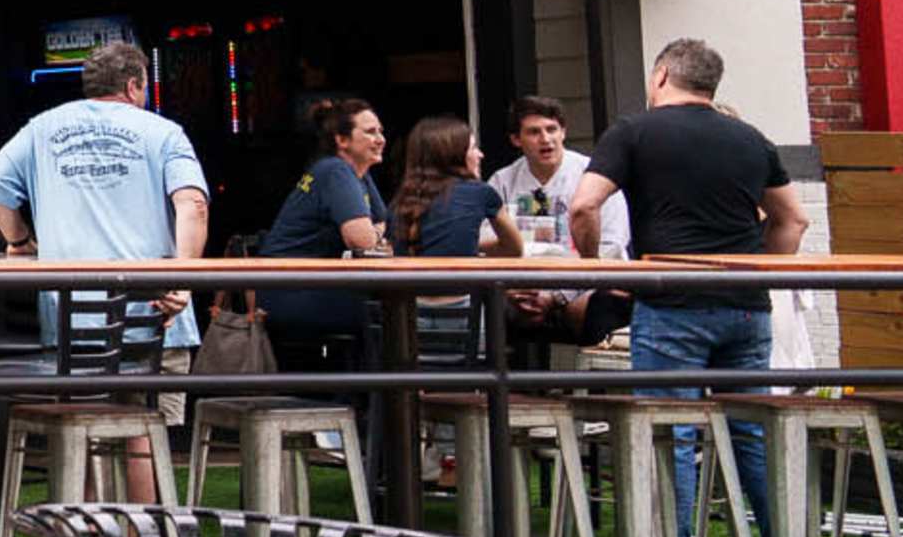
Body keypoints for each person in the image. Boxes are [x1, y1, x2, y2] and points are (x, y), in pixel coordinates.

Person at [567, 38, 807, 537]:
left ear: (660, 77)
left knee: (668, 432)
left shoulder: (633, 131)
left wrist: (598, 271)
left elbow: (584, 207)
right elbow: (794, 219)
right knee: (750, 429)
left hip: (670, 302)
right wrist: (757, 270)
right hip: (745, 309)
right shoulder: (750, 139)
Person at [0, 39, 209, 502]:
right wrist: (180, 278)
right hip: (151, 314)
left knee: (81, 424)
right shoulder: (163, 132)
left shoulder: (42, 128)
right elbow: (193, 205)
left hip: (70, 320)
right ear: (135, 84)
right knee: (141, 427)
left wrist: (20, 242)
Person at [254, 97, 387, 379]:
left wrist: (372, 232)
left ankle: (364, 405)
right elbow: (363, 240)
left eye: (380, 131)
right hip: (290, 292)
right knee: (386, 314)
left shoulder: (357, 174)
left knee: (384, 310)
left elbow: (382, 222)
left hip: (312, 286)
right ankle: (373, 411)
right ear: (342, 140)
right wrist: (372, 233)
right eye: (370, 132)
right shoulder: (334, 171)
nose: (380, 139)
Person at [385, 115, 522, 364]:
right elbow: (514, 248)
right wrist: (470, 244)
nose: (480, 154)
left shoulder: (401, 202)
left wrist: (469, 242)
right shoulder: (480, 193)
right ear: (454, 156)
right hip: (463, 314)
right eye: (473, 148)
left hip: (410, 315)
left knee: (415, 386)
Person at [490, 94, 628, 259]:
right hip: (526, 279)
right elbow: (488, 239)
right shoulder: (502, 182)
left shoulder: (595, 175)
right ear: (516, 140)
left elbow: (613, 243)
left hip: (589, 278)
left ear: (563, 132)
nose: (546, 139)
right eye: (534, 132)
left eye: (551, 129)